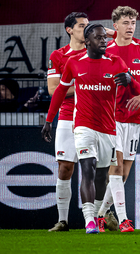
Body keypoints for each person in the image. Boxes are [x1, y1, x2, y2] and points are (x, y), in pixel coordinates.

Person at [45, 23, 140, 234]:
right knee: (86, 169)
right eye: (98, 38)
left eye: (104, 38)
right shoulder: (74, 63)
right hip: (83, 126)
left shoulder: (116, 62)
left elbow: (136, 90)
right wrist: (49, 119)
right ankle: (88, 219)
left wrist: (131, 80)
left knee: (100, 176)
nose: (103, 41)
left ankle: (97, 216)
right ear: (87, 41)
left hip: (108, 128)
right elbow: (60, 92)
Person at [96, 6, 140, 233]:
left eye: (133, 23)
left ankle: (100, 216)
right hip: (111, 117)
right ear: (115, 26)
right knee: (115, 168)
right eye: (125, 23)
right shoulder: (106, 50)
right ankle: (124, 219)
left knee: (123, 172)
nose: (130, 27)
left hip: (134, 117)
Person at [41, 12, 90, 232]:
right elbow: (53, 90)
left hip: (93, 118)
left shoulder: (97, 52)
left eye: (88, 26)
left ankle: (96, 218)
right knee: (65, 168)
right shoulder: (58, 56)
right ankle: (63, 220)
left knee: (94, 170)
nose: (86, 30)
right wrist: (85, 85)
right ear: (69, 29)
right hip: (67, 117)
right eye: (81, 26)